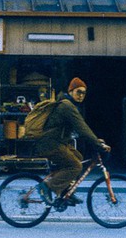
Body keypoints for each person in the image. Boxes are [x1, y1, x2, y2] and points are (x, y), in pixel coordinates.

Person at [35, 77, 111, 205]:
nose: (81, 96)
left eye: (84, 93)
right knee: (75, 165)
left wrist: (96, 140)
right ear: (70, 91)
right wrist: (98, 145)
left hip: (58, 142)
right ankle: (46, 187)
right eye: (78, 92)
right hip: (50, 144)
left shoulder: (70, 105)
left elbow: (79, 129)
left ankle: (66, 192)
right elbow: (83, 128)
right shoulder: (67, 106)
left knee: (78, 157)